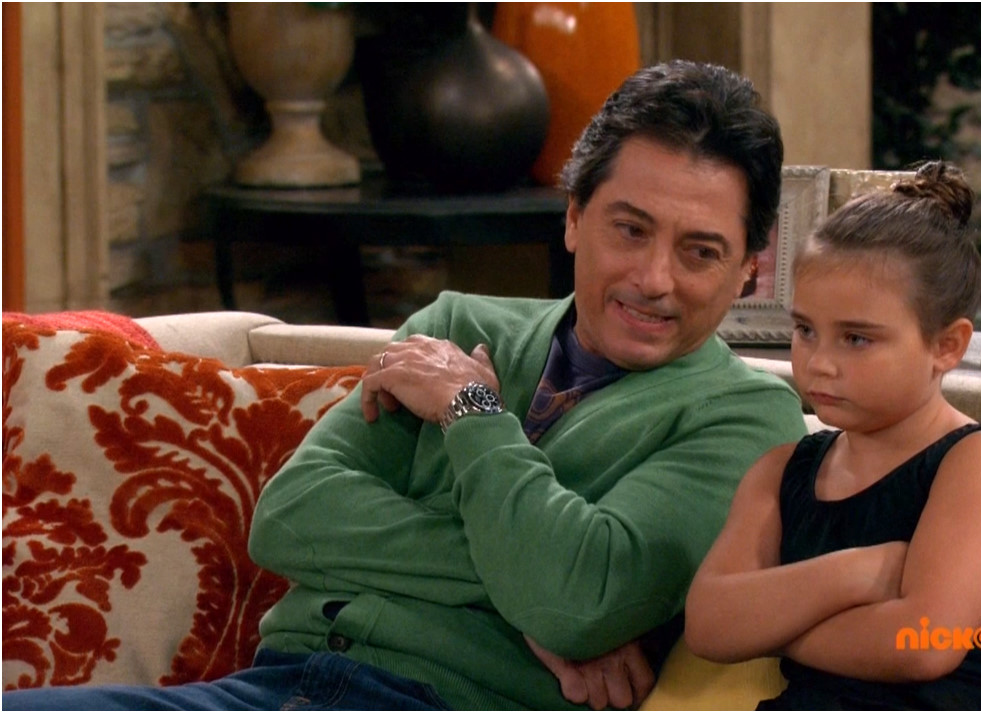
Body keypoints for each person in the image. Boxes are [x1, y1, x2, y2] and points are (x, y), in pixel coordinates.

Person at [5, 60, 808, 711]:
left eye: (700, 251)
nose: (654, 277)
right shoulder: (456, 323)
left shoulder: (743, 416)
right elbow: (289, 516)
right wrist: (524, 596)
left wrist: (470, 410)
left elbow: (581, 598)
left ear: (747, 269)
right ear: (573, 218)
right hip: (273, 683)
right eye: (629, 229)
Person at [683, 161, 981, 709]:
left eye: (856, 339)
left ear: (946, 346)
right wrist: (860, 572)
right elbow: (709, 625)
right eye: (805, 330)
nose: (819, 363)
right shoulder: (780, 471)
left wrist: (766, 627)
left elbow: (924, 646)